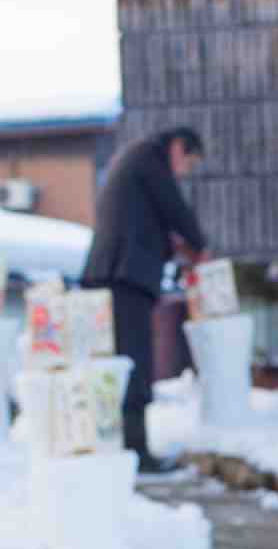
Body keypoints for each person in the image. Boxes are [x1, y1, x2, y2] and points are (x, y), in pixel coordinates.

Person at [80, 124, 207, 475]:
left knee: (119, 362)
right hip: (124, 276)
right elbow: (174, 208)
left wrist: (175, 247)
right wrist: (200, 244)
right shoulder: (150, 158)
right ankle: (136, 450)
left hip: (113, 273)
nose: (185, 172)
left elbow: (148, 220)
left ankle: (120, 445)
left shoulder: (135, 161)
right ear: (179, 148)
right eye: (189, 163)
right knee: (134, 363)